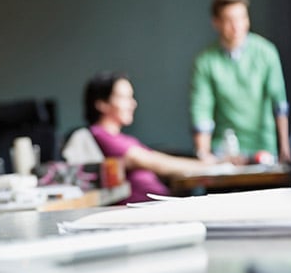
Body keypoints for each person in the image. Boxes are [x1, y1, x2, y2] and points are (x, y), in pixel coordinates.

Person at [84, 72, 223, 204]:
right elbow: (156, 162)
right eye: (124, 98)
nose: (133, 104)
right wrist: (209, 166)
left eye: (131, 97)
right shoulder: (100, 135)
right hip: (139, 212)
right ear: (101, 104)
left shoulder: (123, 138)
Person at [190, 0, 291, 163]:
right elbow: (201, 110)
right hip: (226, 153)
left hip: (265, 148)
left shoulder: (266, 52)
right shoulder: (205, 62)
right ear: (216, 23)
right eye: (229, 20)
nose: (236, 26)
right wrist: (203, 153)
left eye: (241, 18)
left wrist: (285, 149)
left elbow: (279, 103)